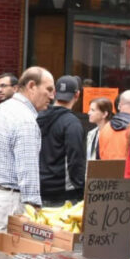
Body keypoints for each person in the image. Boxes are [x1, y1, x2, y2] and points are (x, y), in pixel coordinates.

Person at [0, 67, 53, 231]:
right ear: (32, 86)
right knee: (7, 252)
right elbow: (27, 169)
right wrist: (34, 209)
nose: (52, 96)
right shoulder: (26, 121)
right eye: (49, 89)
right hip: (11, 200)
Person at [38, 76, 86, 206]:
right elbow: (75, 159)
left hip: (36, 190)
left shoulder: (36, 117)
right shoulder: (72, 123)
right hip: (62, 194)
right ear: (77, 94)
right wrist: (81, 189)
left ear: (54, 93)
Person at [98, 90, 130, 160]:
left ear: (119, 106)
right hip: (129, 170)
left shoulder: (106, 128)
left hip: (107, 169)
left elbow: (99, 156)